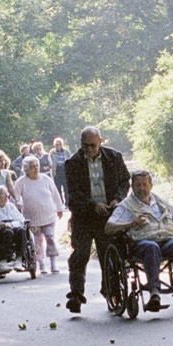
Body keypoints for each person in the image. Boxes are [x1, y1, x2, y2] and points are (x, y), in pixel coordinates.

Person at [106, 170, 173, 311]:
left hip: (166, 240)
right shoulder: (126, 206)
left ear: (151, 185)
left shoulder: (161, 201)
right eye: (138, 185)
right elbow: (108, 228)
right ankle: (154, 294)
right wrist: (131, 223)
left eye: (145, 184)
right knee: (151, 247)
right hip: (141, 243)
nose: (141, 188)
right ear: (132, 187)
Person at [63, 126, 130, 313]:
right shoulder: (73, 163)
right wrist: (93, 205)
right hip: (84, 216)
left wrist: (117, 198)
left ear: (100, 141)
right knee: (80, 254)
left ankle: (110, 289)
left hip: (108, 214)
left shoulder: (114, 158)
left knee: (108, 253)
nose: (90, 149)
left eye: (93, 145)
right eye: (85, 146)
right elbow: (74, 194)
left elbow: (125, 180)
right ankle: (76, 294)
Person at [16, 156, 65, 274]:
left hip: (48, 216)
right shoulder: (21, 182)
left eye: (37, 166)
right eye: (32, 167)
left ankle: (53, 264)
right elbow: (16, 197)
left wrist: (59, 208)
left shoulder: (46, 179)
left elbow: (55, 194)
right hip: (31, 219)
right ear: (26, 169)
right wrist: (19, 204)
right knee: (37, 244)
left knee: (50, 239)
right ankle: (41, 264)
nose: (35, 169)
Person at [49, 136, 70, 206]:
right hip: (56, 171)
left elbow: (70, 160)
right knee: (58, 188)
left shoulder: (66, 151)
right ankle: (60, 203)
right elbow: (50, 161)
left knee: (66, 188)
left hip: (64, 171)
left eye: (58, 145)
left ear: (61, 144)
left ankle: (67, 203)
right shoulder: (52, 152)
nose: (57, 146)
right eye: (55, 145)